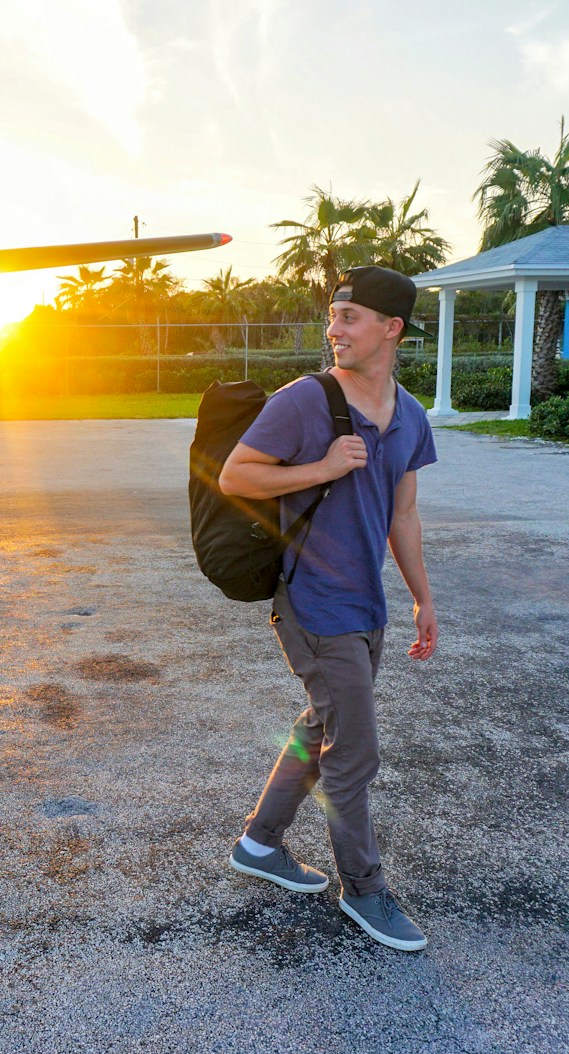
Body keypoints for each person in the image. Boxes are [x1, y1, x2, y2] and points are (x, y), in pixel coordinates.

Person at [216, 265, 438, 951]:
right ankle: (365, 889)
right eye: (334, 316)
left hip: (367, 606)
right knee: (354, 752)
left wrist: (423, 597)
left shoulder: (410, 415)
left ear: (391, 328)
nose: (334, 328)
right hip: (313, 602)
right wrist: (322, 468)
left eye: (350, 317)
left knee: (321, 727)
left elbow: (403, 514)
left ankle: (259, 841)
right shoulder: (304, 400)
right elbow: (235, 474)